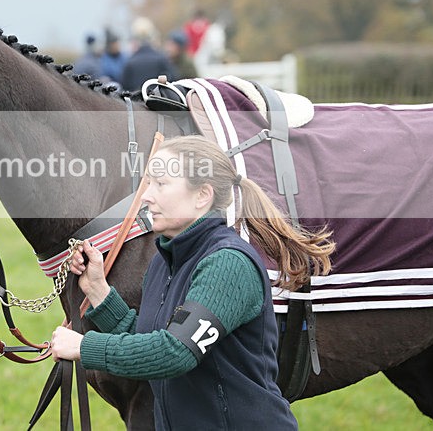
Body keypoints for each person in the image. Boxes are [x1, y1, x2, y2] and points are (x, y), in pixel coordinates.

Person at [50, 135, 334, 430]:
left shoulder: (228, 263)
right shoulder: (163, 262)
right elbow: (150, 341)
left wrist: (85, 347)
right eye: (148, 183)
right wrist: (98, 291)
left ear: (202, 196)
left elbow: (176, 352)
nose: (146, 196)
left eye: (161, 184)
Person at [120, 16, 176, 92]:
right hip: (158, 98)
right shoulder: (161, 59)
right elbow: (173, 81)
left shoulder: (130, 62)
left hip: (135, 98)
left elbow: (124, 86)